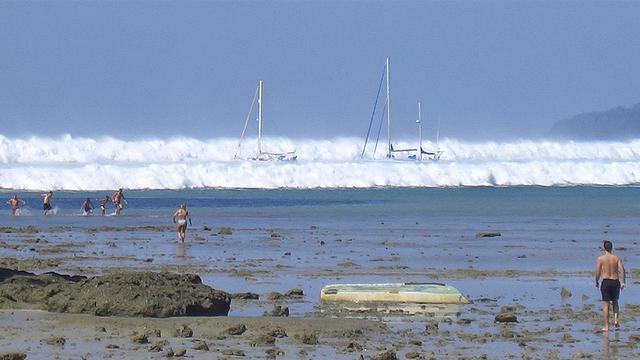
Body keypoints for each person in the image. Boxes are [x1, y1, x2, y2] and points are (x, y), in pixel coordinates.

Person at [595, 240, 626, 332]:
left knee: (606, 304)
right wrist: (623, 282)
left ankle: (606, 326)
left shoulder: (601, 259)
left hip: (606, 282)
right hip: (615, 281)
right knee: (615, 301)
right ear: (612, 248)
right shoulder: (616, 258)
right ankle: (616, 320)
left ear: (604, 248)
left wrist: (596, 281)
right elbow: (622, 270)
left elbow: (597, 272)